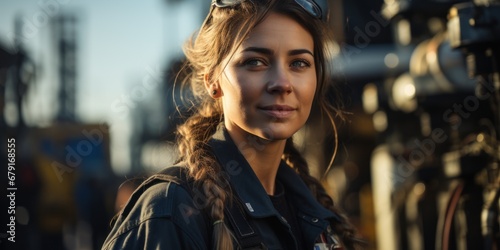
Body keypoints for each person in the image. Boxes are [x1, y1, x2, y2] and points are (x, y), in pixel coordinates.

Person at [102, 0, 363, 249]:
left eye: (299, 63)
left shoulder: (312, 213)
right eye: (255, 62)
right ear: (212, 81)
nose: (282, 83)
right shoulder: (170, 211)